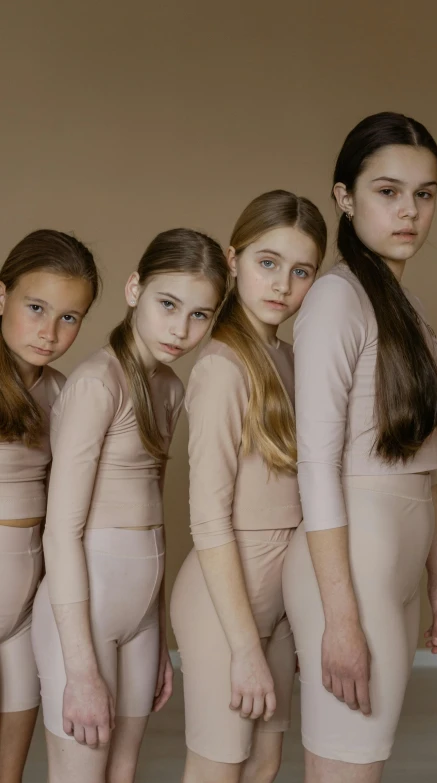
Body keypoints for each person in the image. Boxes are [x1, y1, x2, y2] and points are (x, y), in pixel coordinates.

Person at [282, 112, 437, 783]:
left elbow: (421, 459)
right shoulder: (336, 297)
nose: (410, 210)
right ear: (344, 196)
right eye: (388, 191)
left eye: (425, 192)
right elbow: (316, 466)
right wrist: (340, 618)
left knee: (358, 765)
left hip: (396, 562)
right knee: (346, 769)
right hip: (350, 567)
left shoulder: (405, 304)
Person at [31, 228, 228, 783]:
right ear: (135, 288)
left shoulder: (169, 388)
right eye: (168, 304)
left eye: (200, 315)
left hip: (138, 618)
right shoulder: (99, 383)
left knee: (123, 773)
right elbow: (60, 533)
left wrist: (157, 628)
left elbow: (155, 522)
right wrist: (81, 667)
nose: (180, 328)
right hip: (82, 616)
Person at [171, 190, 327, 783]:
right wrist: (241, 647)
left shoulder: (289, 358)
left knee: (264, 764)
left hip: (282, 595)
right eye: (268, 262)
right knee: (220, 765)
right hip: (224, 605)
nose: (282, 284)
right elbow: (208, 517)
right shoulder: (220, 367)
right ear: (232, 260)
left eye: (301, 270)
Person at [0, 229, 100, 783]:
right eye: (35, 307)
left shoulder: (64, 391)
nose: (49, 330)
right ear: (1, 297)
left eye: (69, 317)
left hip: (27, 599)